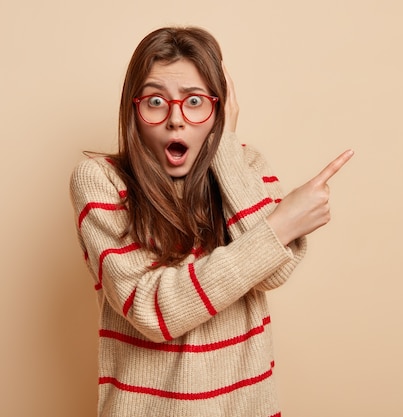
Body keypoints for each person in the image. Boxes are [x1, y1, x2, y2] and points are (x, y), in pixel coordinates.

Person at [69, 26, 353, 417]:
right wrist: (282, 225)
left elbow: (273, 272)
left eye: (196, 101)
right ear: (132, 108)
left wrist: (226, 151)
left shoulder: (245, 165)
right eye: (155, 101)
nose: (176, 120)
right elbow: (153, 311)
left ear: (220, 108)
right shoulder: (101, 180)